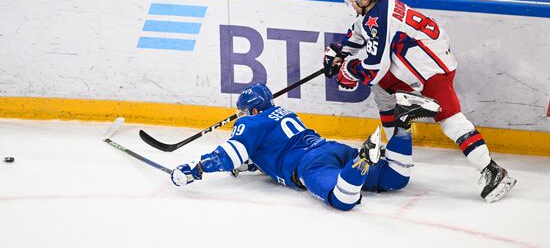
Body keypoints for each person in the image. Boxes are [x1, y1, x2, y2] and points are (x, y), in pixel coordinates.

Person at [322, 0, 516, 203]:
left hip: (430, 71)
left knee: (450, 120)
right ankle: (396, 148)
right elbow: (359, 32)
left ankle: (493, 171)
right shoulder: (376, 9)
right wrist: (339, 52)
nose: (350, 2)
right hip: (421, 62)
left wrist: (348, 70)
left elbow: (374, 68)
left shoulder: (379, 17)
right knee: (382, 90)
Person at [171, 84, 440, 211]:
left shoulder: (250, 125)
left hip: (311, 164)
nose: (240, 116)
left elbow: (228, 155)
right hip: (330, 148)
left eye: (242, 112)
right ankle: (402, 125)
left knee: (343, 199)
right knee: (395, 178)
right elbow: (267, 152)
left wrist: (195, 168)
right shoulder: (282, 114)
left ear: (252, 110)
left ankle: (361, 160)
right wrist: (251, 164)